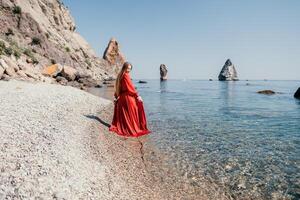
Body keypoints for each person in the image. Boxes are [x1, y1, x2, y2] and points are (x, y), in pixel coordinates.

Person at [109, 62, 151, 137]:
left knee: (128, 114)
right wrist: (137, 95)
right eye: (128, 68)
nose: (129, 70)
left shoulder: (120, 75)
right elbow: (130, 87)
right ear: (124, 67)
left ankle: (127, 127)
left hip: (122, 98)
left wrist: (116, 97)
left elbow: (118, 88)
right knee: (134, 111)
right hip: (127, 98)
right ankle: (132, 128)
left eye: (130, 69)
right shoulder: (125, 75)